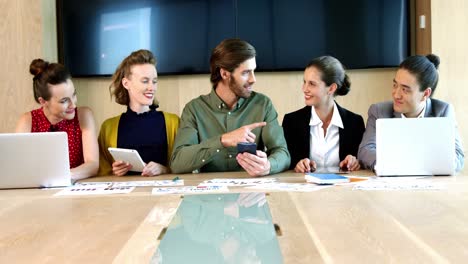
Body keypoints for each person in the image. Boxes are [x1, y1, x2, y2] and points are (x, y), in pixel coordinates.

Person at [170, 38, 290, 176]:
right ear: (225, 74)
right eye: (246, 73)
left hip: (251, 192)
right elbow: (177, 163)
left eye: (253, 71)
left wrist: (268, 165)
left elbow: (283, 153)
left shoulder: (263, 105)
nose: (253, 79)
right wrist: (223, 140)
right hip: (208, 194)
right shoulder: (194, 109)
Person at [358, 54, 464, 172]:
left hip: (432, 183)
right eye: (395, 85)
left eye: (405, 89)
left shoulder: (443, 111)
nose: (396, 94)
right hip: (391, 182)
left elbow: (458, 156)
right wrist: (396, 165)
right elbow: (365, 150)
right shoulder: (379, 111)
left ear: (425, 94)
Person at [98, 49, 179, 176]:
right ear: (126, 83)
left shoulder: (173, 123)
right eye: (145, 81)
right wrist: (115, 171)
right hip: (125, 195)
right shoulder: (108, 127)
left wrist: (164, 169)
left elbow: (186, 167)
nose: (151, 87)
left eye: (154, 81)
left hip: (162, 193)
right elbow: (103, 173)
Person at [15, 59, 99, 180]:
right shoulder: (27, 121)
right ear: (43, 101)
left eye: (74, 95)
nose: (73, 105)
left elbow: (92, 165)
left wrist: (61, 177)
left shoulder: (83, 116)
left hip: (75, 190)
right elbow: (18, 166)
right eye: (64, 100)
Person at [282, 56, 365, 173]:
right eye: (304, 82)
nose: (304, 89)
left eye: (312, 84)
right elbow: (286, 162)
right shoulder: (291, 122)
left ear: (331, 88)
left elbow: (361, 162)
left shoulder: (354, 122)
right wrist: (297, 164)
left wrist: (355, 161)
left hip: (342, 189)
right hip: (304, 189)